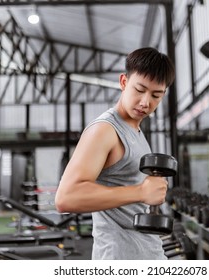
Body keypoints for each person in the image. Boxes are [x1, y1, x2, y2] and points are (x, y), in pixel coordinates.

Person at [55, 47, 175, 260]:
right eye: (139, 89)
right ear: (123, 82)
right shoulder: (105, 130)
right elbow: (66, 198)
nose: (146, 102)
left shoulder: (136, 130)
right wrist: (140, 192)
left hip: (146, 252)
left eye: (156, 95)